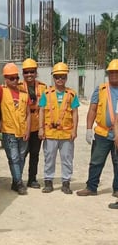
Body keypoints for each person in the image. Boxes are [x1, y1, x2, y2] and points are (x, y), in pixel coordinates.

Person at [0, 62, 31, 195]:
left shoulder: (24, 95)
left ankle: (16, 182)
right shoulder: (2, 91)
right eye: (11, 78)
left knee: (21, 157)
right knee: (14, 158)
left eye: (16, 78)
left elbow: (28, 114)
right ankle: (19, 183)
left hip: (22, 132)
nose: (14, 80)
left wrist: (27, 131)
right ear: (5, 79)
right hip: (9, 132)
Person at [77, 59, 118, 200]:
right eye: (111, 72)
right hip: (102, 132)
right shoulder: (101, 89)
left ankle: (117, 189)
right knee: (96, 161)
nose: (114, 75)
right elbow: (92, 110)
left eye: (116, 73)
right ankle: (91, 187)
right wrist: (88, 129)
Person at [38, 62, 79, 194]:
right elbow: (42, 111)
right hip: (50, 132)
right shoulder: (46, 93)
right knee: (49, 157)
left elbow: (75, 112)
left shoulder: (71, 94)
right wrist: (41, 128)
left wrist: (74, 130)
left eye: (62, 76)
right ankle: (48, 181)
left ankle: (66, 182)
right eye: (57, 77)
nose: (60, 79)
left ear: (66, 77)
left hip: (66, 133)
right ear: (53, 78)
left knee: (67, 158)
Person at [19, 58, 47, 188]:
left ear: (36, 72)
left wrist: (43, 127)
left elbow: (45, 108)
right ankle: (17, 180)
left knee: (34, 154)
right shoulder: (18, 87)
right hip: (23, 126)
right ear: (23, 73)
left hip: (36, 126)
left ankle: (32, 179)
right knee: (21, 155)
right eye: (26, 72)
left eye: (32, 72)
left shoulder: (43, 87)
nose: (29, 75)